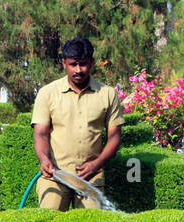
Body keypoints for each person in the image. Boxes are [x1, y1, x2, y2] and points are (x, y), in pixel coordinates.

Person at [29, 37, 124, 211]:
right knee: (48, 221)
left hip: (91, 176)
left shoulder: (108, 94)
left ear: (92, 63)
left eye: (84, 64)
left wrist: (97, 163)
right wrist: (44, 159)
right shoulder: (47, 93)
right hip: (55, 176)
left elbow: (115, 137)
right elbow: (40, 134)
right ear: (64, 63)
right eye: (73, 64)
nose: (78, 70)